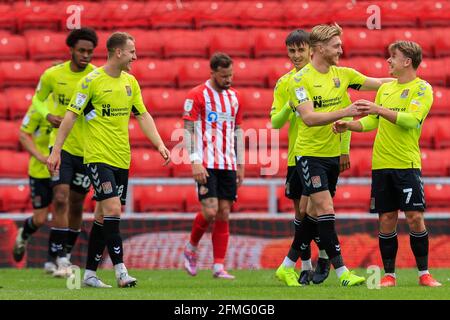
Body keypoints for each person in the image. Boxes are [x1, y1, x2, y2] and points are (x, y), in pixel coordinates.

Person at [47, 32, 170, 288]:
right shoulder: (91, 82)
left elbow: (143, 115)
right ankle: (121, 271)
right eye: (132, 52)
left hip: (121, 158)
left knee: (103, 217)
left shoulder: (130, 83)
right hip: (97, 157)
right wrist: (56, 150)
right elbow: (70, 117)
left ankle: (90, 274)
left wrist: (158, 143)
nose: (135, 57)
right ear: (118, 52)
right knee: (114, 209)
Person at [288, 23, 393, 286]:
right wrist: (346, 112)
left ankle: (288, 264)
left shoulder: (344, 74)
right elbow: (310, 119)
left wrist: (411, 81)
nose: (341, 50)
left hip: (332, 155)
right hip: (308, 154)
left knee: (311, 213)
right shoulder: (299, 80)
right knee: (324, 207)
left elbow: (379, 83)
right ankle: (341, 271)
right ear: (320, 48)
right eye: (336, 46)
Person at [333, 41, 442, 287]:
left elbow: (411, 120)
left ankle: (424, 273)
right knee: (386, 219)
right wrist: (349, 124)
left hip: (407, 164)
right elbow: (373, 121)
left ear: (407, 62)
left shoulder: (422, 89)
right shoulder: (386, 89)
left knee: (415, 217)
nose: (388, 61)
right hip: (382, 164)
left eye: (393, 57)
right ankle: (389, 275)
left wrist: (378, 109)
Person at [32, 27, 99, 277]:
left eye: (90, 52)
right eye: (81, 50)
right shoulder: (52, 74)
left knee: (76, 204)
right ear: (71, 49)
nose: (86, 55)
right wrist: (47, 114)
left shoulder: (96, 77)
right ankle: (60, 258)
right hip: (60, 147)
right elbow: (37, 100)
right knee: (60, 197)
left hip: (87, 149)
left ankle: (64, 253)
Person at [271, 29, 331, 287]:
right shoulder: (285, 83)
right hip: (297, 157)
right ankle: (305, 267)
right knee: (301, 213)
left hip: (324, 153)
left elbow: (343, 113)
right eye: (291, 51)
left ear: (311, 50)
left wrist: (344, 150)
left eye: (300, 50)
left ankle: (326, 258)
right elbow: (275, 122)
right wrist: (289, 106)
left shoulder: (324, 77)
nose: (296, 55)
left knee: (319, 210)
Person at [182, 52, 244, 279]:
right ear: (213, 73)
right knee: (210, 210)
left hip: (227, 163)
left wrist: (241, 163)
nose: (229, 80)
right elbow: (187, 130)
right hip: (206, 162)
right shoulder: (197, 95)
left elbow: (238, 131)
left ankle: (218, 265)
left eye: (231, 75)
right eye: (224, 76)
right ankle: (190, 248)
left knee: (224, 213)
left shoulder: (235, 97)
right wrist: (195, 161)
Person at [13, 95, 55, 272]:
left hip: (64, 167)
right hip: (40, 171)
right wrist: (40, 157)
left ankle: (54, 260)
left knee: (64, 212)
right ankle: (23, 234)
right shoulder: (40, 107)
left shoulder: (72, 105)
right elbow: (23, 134)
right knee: (40, 218)